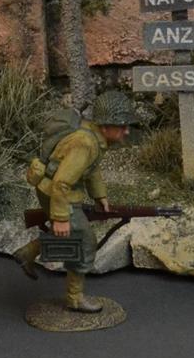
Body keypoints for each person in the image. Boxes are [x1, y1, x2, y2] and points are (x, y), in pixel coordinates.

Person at [10, 91, 134, 312]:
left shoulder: (93, 137)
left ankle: (28, 252)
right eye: (122, 125)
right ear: (105, 126)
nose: (127, 131)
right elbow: (62, 183)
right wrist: (60, 218)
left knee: (71, 234)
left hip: (56, 190)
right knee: (85, 241)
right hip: (59, 193)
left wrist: (99, 196)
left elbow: (91, 170)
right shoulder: (85, 143)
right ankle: (74, 298)